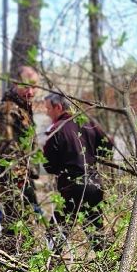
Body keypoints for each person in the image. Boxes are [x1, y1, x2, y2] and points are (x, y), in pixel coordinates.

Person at [40, 92, 108, 252]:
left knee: (56, 232)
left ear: (58, 107)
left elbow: (48, 165)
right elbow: (107, 147)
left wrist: (59, 167)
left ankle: (49, 262)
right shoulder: (88, 122)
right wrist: (91, 155)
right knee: (96, 231)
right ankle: (108, 263)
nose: (47, 113)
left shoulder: (56, 129)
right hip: (94, 184)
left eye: (48, 109)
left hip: (71, 187)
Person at [0, 65, 43, 252]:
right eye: (26, 86)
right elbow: (7, 151)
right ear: (15, 83)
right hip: (14, 179)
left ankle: (3, 261)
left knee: (14, 227)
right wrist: (22, 184)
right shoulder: (8, 109)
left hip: (22, 177)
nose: (31, 91)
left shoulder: (22, 108)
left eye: (34, 86)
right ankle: (15, 262)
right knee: (21, 226)